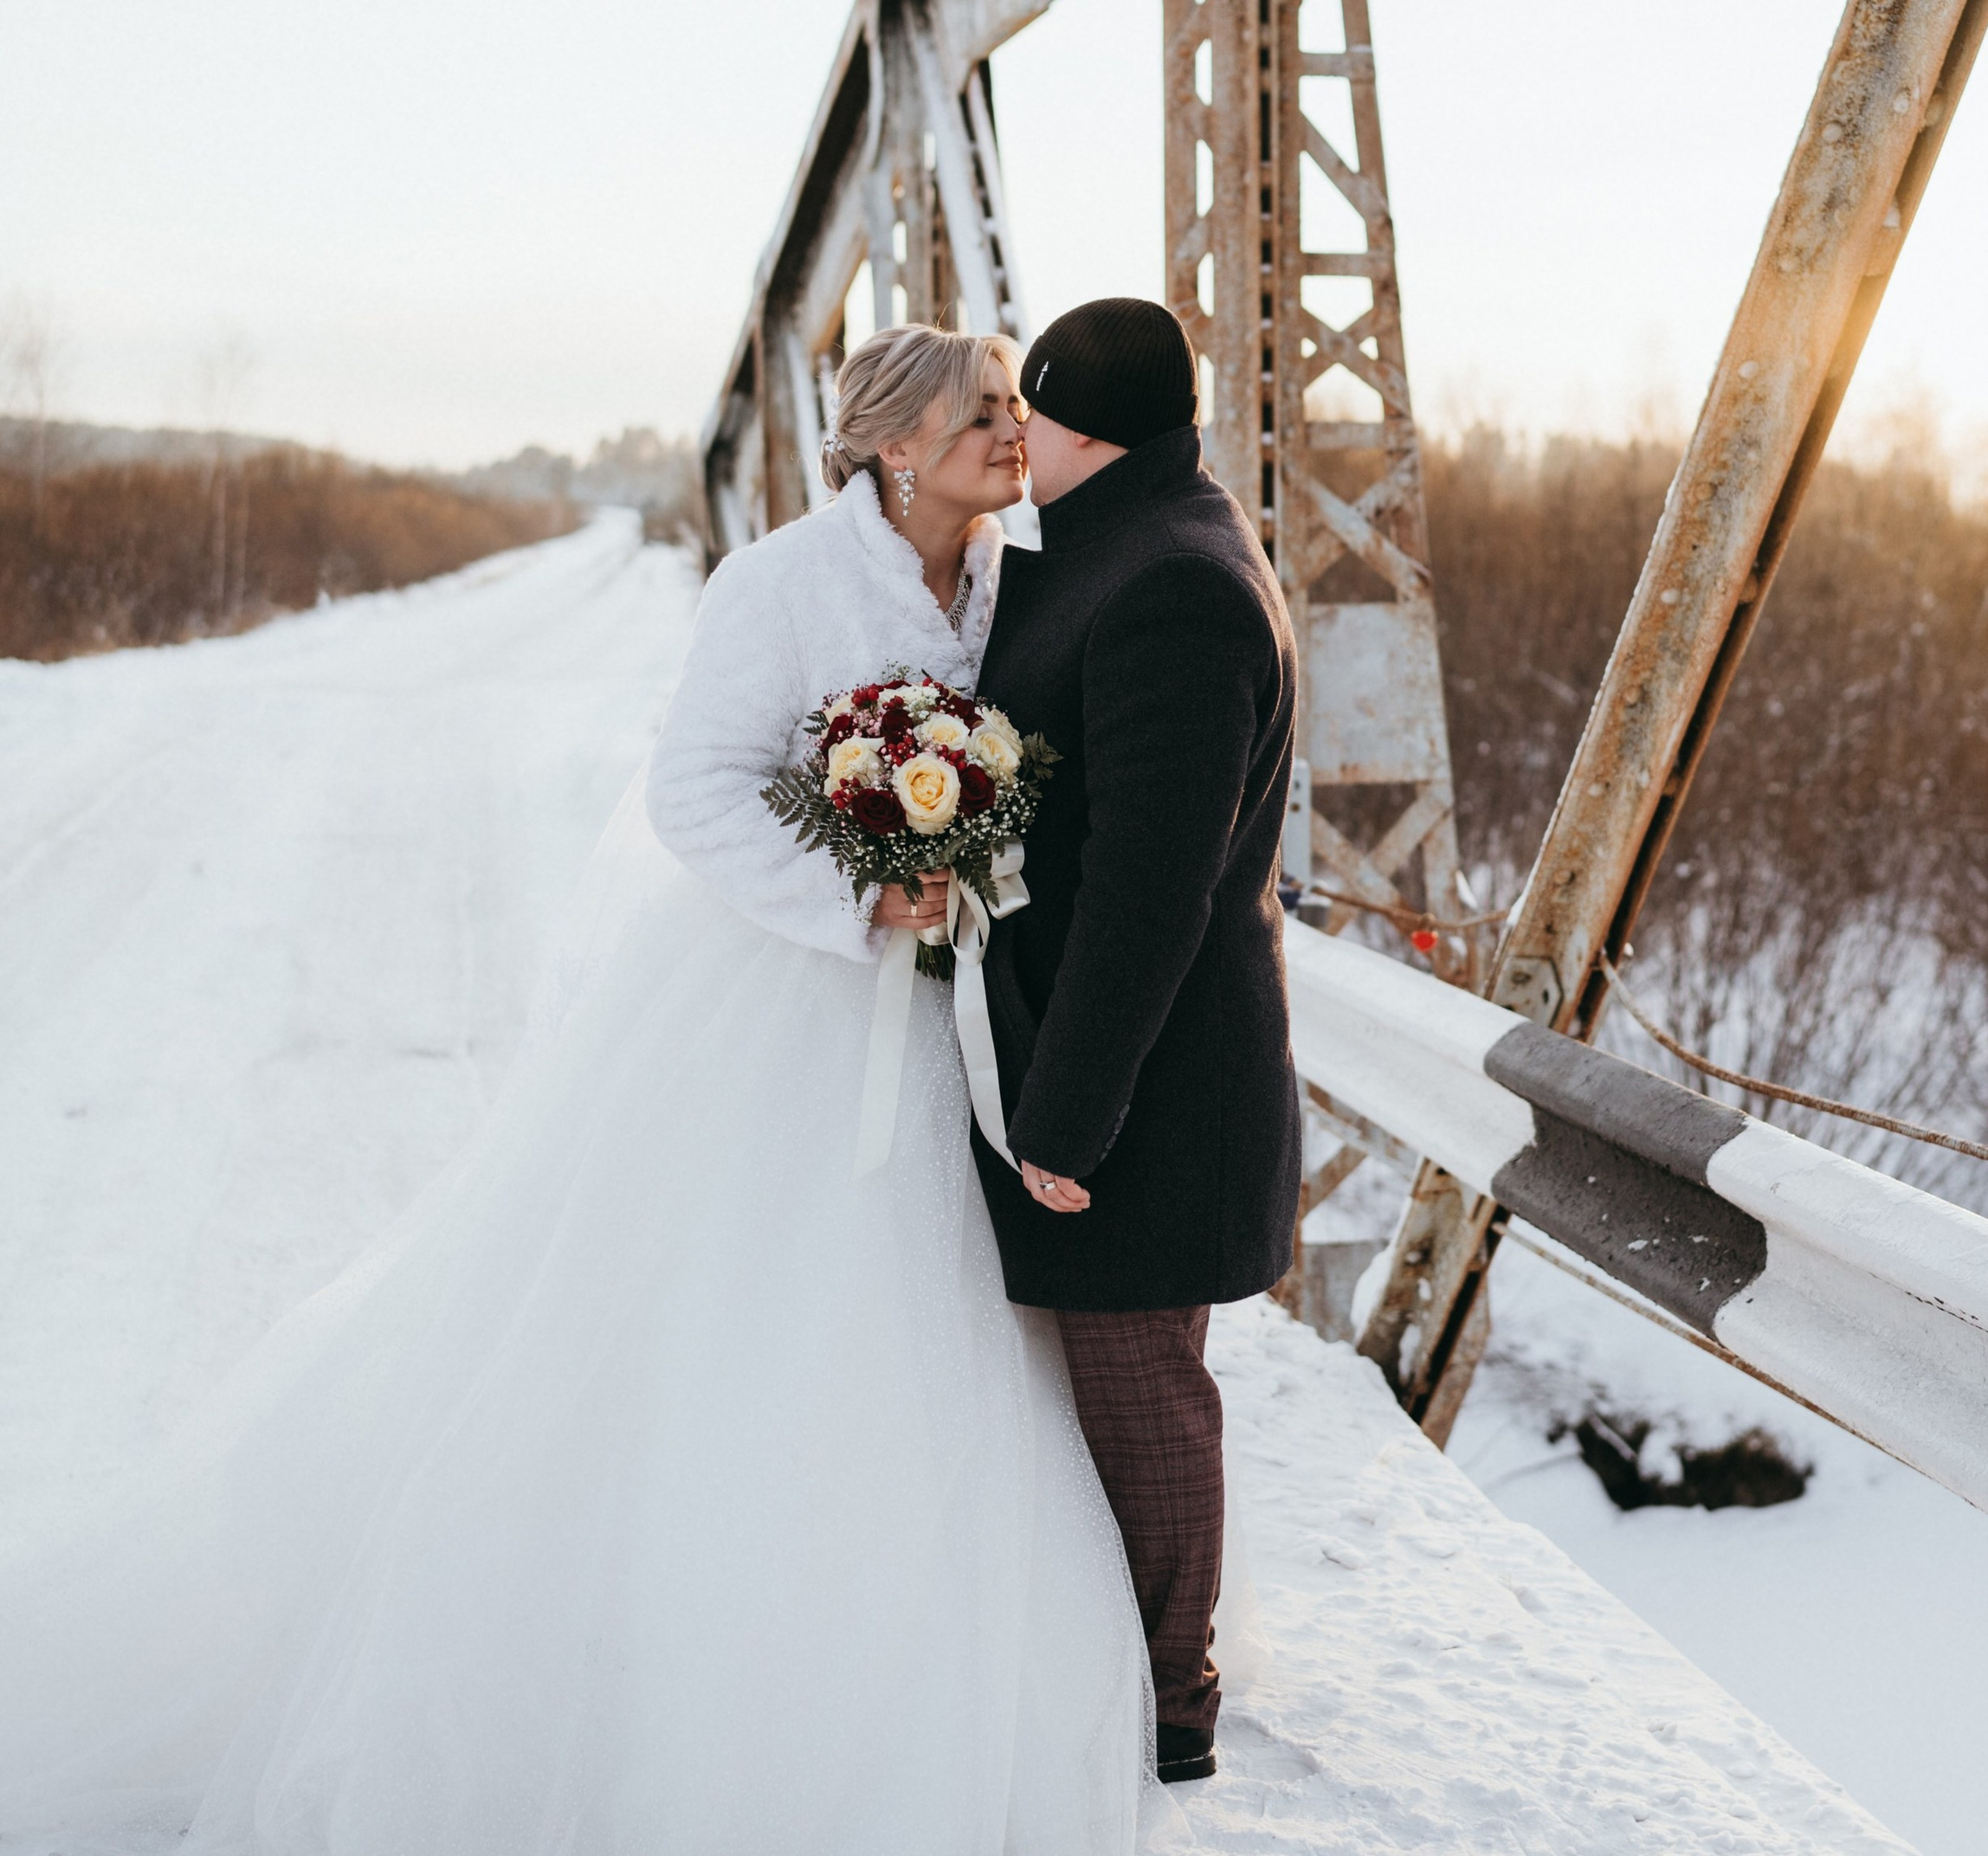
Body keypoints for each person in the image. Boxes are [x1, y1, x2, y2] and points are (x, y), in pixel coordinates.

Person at [0, 324, 1152, 1853]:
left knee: (955, 1331)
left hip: (955, 1021)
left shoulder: (1021, 579)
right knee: (757, 1323)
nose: (1018, 434)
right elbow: (695, 788)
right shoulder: (781, 586)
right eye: (986, 415)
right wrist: (857, 891)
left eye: (1016, 410)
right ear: (892, 446)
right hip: (783, 1013)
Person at [971, 297, 1302, 1786]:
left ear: (1079, 423)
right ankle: (1121, 1672)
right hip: (1112, 1066)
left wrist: (1067, 1116)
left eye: (1021, 416)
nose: (1007, 441)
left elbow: (1149, 894)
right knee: (1120, 1380)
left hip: (1148, 1092)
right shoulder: (1137, 530)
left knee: (1143, 1391)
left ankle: (1172, 1705)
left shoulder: (1174, 584)